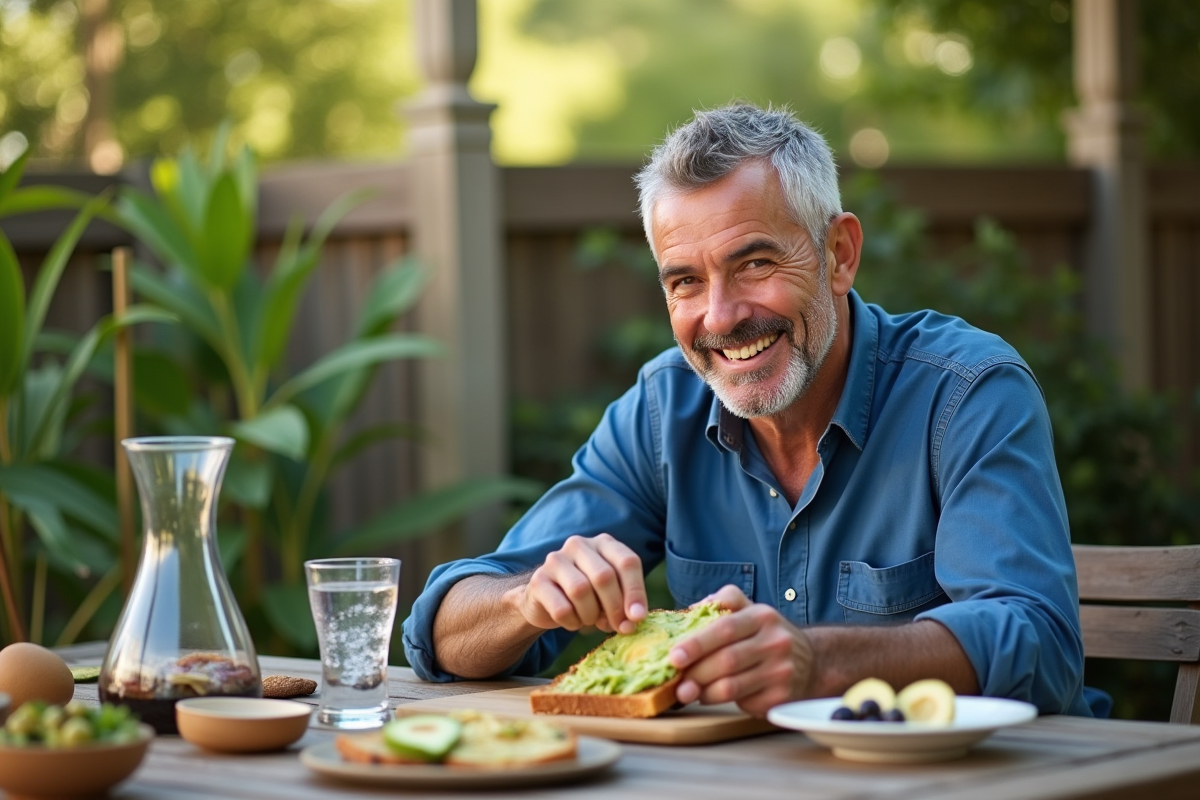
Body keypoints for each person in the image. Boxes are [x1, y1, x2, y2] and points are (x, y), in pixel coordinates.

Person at [402, 103, 1090, 718]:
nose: (721, 316)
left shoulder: (966, 391)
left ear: (840, 254)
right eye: (686, 282)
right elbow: (440, 635)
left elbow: (1041, 645)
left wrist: (819, 664)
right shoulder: (661, 409)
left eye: (756, 264)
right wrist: (528, 599)